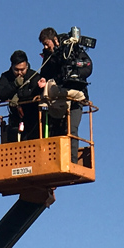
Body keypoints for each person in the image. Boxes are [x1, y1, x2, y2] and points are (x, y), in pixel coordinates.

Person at [36, 27, 92, 161]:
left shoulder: (73, 48)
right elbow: (45, 73)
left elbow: (88, 66)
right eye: (43, 44)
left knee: (71, 129)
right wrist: (43, 80)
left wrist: (75, 74)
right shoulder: (48, 56)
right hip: (57, 99)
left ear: (54, 40)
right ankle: (54, 160)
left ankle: (71, 161)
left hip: (76, 98)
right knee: (56, 130)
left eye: (46, 43)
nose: (45, 46)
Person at [0, 50, 43, 143]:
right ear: (12, 67)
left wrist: (18, 96)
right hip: (15, 119)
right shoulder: (6, 76)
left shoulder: (34, 76)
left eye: (22, 69)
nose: (20, 73)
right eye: (16, 70)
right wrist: (14, 85)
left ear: (27, 65)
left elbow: (35, 92)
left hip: (33, 118)